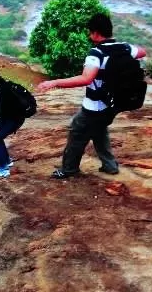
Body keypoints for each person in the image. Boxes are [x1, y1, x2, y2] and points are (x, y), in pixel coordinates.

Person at [36, 13, 146, 179]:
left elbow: (86, 78)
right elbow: (142, 52)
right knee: (99, 130)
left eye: (90, 32)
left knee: (77, 134)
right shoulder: (124, 47)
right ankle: (110, 166)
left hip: (94, 105)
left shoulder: (96, 53)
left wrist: (55, 82)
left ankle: (69, 169)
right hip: (112, 104)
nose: (89, 35)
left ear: (95, 33)